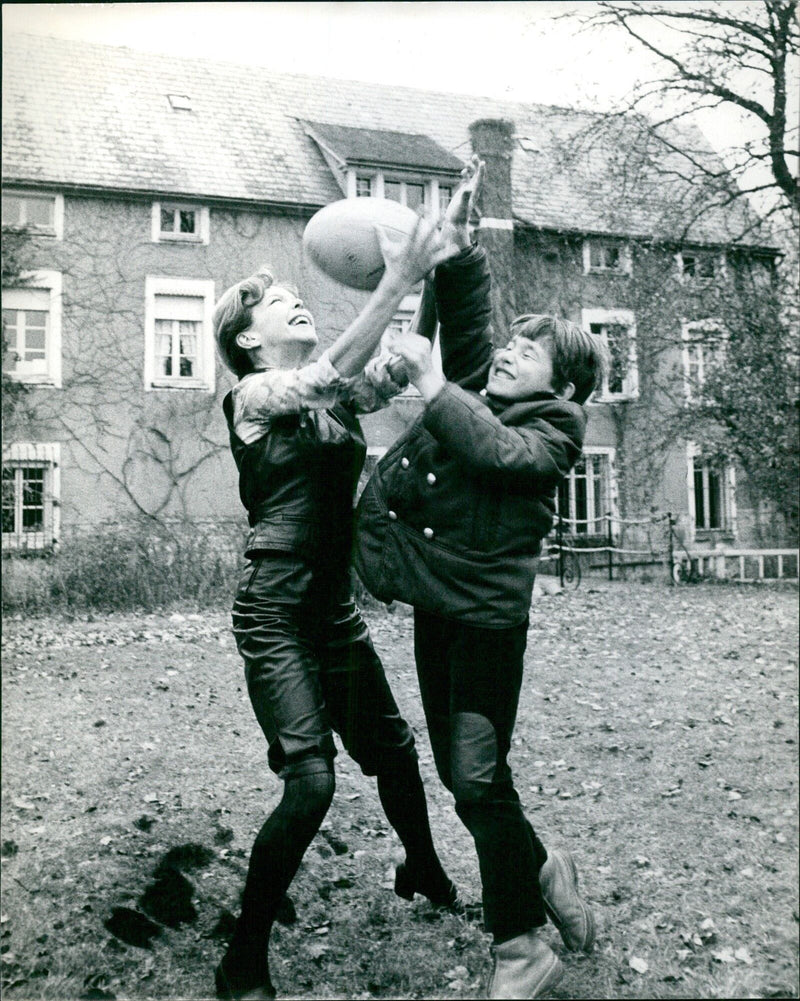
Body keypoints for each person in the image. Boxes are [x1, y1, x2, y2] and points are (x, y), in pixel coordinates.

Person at [355, 159, 608, 999]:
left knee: (474, 778)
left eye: (529, 350)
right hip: (438, 611)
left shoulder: (555, 430)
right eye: (511, 341)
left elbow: (500, 456)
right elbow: (465, 325)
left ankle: (521, 947)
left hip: (488, 628)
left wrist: (432, 387)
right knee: (472, 784)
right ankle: (541, 868)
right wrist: (457, 253)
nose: (508, 350)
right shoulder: (483, 389)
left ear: (564, 383)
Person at [212, 217, 462, 1000]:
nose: (295, 302)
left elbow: (391, 369)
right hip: (274, 612)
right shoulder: (252, 396)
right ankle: (242, 957)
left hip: (331, 612)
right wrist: (394, 277)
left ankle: (423, 867)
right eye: (275, 301)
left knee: (393, 751)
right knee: (312, 782)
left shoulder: (341, 391)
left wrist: (436, 280)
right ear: (248, 341)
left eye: (295, 294)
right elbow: (318, 380)